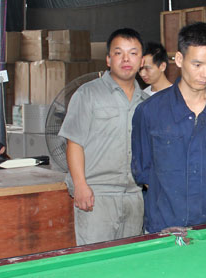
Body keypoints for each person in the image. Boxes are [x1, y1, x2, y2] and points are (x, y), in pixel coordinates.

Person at [131, 22, 206, 233]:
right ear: (179, 59)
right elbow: (143, 172)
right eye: (197, 64)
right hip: (164, 227)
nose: (205, 73)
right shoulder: (150, 110)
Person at [59, 28, 147, 245]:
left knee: (129, 260)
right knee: (95, 259)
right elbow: (74, 142)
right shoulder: (87, 94)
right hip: (97, 196)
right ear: (108, 59)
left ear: (142, 60)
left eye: (133, 53)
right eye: (118, 53)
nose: (126, 59)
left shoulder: (146, 103)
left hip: (134, 196)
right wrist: (80, 186)